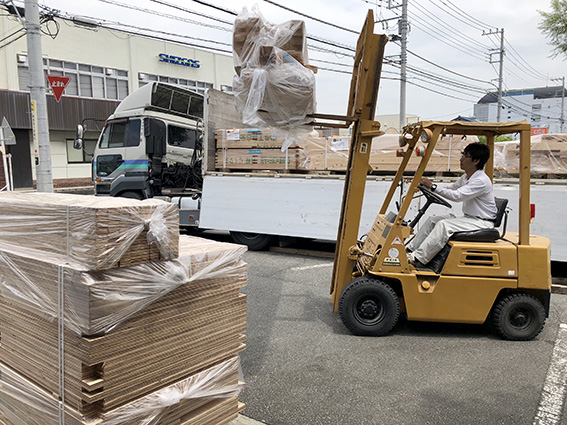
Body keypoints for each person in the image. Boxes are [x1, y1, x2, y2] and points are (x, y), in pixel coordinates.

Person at [407, 142, 498, 266]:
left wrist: (433, 187)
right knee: (433, 220)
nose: (461, 159)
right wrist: (429, 187)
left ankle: (417, 258)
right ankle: (409, 250)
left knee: (444, 225)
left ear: (476, 161)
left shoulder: (480, 181)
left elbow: (457, 196)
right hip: (470, 218)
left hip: (481, 222)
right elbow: (451, 189)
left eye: (465, 156)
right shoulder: (467, 177)